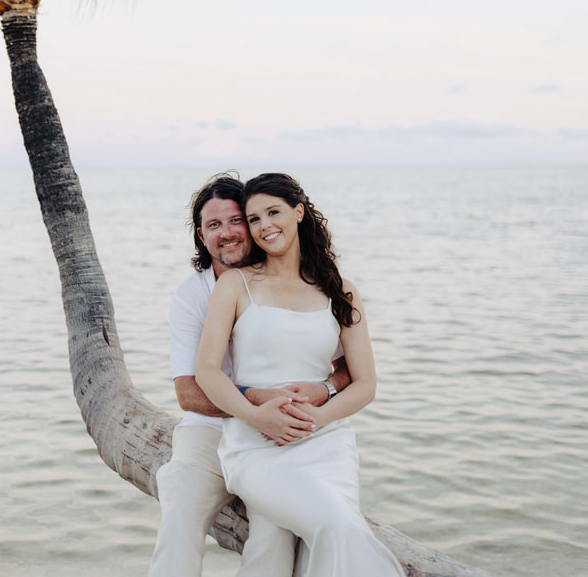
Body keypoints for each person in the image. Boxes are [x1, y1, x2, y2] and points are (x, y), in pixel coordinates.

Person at [195, 173, 404, 577]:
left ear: (299, 212)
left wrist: (317, 417)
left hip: (326, 443)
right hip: (254, 445)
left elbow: (365, 383)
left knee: (323, 530)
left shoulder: (339, 289)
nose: (264, 226)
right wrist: (256, 416)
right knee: (334, 523)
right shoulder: (236, 284)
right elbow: (207, 371)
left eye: (273, 212)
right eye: (253, 219)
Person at [150, 173, 353, 577]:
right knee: (181, 507)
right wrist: (254, 402)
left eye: (236, 220)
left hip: (277, 435)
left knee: (275, 532)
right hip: (209, 431)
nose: (227, 233)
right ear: (200, 235)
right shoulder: (193, 294)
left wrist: (325, 388)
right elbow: (189, 394)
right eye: (214, 225)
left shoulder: (289, 283)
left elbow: (346, 367)